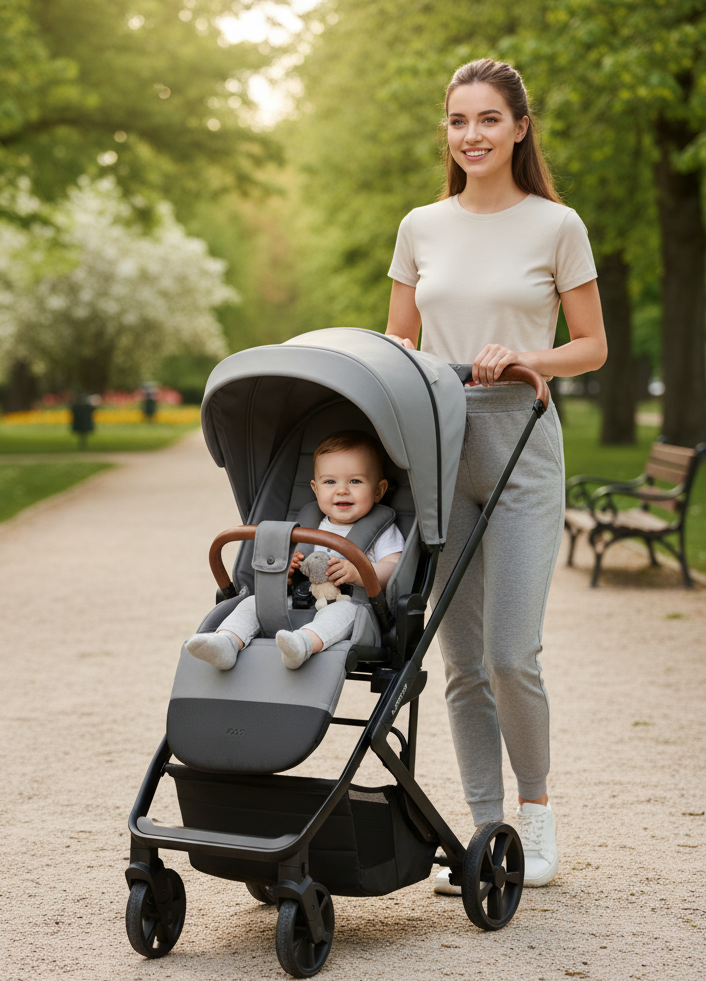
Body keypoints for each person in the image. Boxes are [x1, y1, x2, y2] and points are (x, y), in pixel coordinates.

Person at [384, 58, 607, 890]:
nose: (470, 135)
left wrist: (527, 357)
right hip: (440, 450)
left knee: (511, 652)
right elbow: (397, 341)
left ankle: (536, 812)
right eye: (457, 120)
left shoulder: (557, 225)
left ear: (519, 128)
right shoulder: (420, 227)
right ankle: (484, 832)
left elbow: (592, 346)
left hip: (521, 447)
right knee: (461, 663)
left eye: (487, 119)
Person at [186, 430, 404, 671]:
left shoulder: (383, 530)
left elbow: (394, 568)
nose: (342, 490)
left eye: (355, 481)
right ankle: (226, 641)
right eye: (330, 482)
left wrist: (359, 572)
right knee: (253, 603)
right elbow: (282, 569)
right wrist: (286, 571)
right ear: (315, 489)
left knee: (342, 613)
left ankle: (302, 645)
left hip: (349, 603)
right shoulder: (306, 524)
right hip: (297, 602)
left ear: (378, 490)